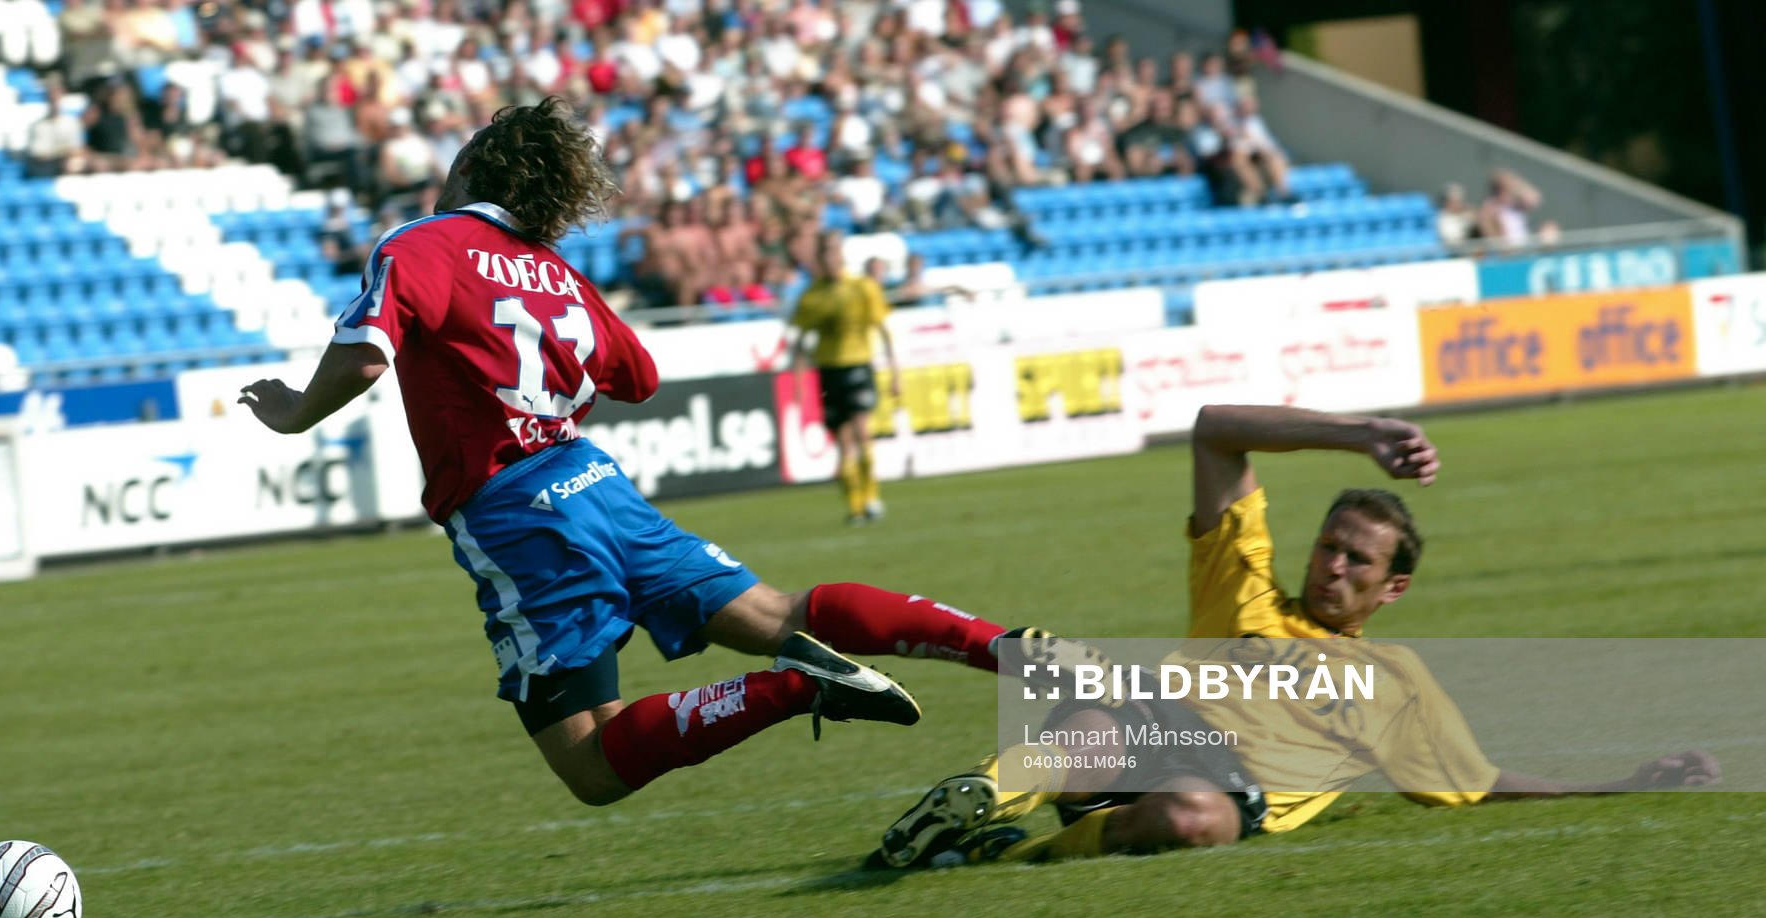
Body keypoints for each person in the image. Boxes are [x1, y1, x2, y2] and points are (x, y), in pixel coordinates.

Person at [237, 99, 1031, 807]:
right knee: (773, 612)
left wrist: (297, 410)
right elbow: (639, 376)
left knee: (592, 767)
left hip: (516, 506)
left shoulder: (424, 242)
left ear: (475, 165)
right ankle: (1008, 650)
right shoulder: (556, 273)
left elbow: (367, 354)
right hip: (595, 480)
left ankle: (797, 685)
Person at [875, 403, 1720, 867]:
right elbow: (1215, 431)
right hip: (1154, 725)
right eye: (1327, 547)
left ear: (1395, 589)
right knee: (1103, 722)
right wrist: (1359, 434)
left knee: (1194, 819)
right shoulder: (1242, 591)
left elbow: (1480, 781)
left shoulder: (1394, 686)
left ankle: (1013, 858)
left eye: (1358, 561)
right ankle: (981, 796)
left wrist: (1625, 780)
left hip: (1228, 789)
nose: (1333, 568)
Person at [778, 231, 900, 526]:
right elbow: (799, 341)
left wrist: (895, 371)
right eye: (826, 253)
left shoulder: (863, 287)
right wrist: (797, 382)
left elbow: (884, 329)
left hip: (858, 365)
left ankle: (872, 497)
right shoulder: (813, 296)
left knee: (863, 433)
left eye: (835, 251)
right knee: (844, 443)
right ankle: (856, 507)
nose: (832, 258)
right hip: (829, 371)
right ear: (820, 258)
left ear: (842, 254)